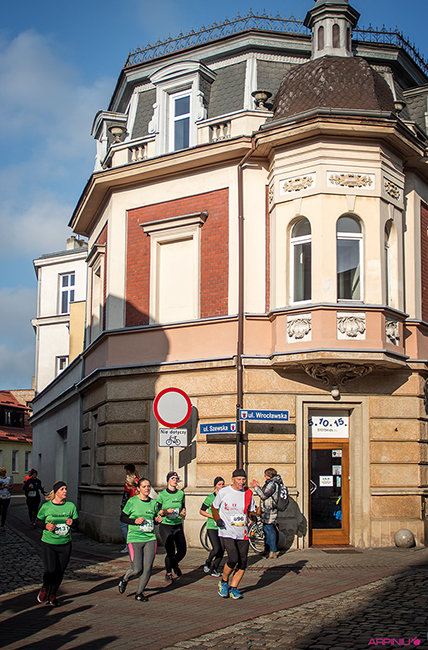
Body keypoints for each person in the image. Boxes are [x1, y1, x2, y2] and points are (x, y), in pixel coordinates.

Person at [211, 468, 256, 600]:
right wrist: (217, 519)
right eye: (239, 479)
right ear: (233, 480)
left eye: (243, 479)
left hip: (242, 531)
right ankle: (224, 581)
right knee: (233, 558)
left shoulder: (248, 493)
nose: (241, 482)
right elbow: (214, 507)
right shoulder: (224, 492)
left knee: (243, 562)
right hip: (227, 530)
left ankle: (234, 588)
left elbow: (251, 510)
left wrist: (253, 516)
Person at [117, 477, 162, 601]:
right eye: (144, 487)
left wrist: (157, 520)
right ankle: (125, 579)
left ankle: (139, 593)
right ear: (138, 489)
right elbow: (122, 517)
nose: (147, 489)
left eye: (148, 486)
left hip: (150, 538)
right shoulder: (132, 502)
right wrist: (134, 521)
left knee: (147, 568)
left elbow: (154, 520)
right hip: (135, 538)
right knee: (137, 569)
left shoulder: (153, 503)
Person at [36, 481, 78, 606]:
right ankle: (45, 587)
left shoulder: (70, 506)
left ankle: (52, 594)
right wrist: (46, 526)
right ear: (56, 492)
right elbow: (37, 521)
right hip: (49, 543)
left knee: (60, 571)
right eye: (62, 489)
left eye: (65, 489)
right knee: (50, 569)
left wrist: (72, 523)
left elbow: (77, 523)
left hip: (65, 543)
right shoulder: (46, 506)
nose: (65, 491)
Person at [157, 471, 186, 583]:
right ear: (168, 480)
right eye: (173, 478)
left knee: (182, 550)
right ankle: (168, 573)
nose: (175, 480)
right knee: (170, 551)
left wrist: (183, 512)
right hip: (166, 526)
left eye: (176, 478)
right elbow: (158, 511)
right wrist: (165, 511)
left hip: (177, 524)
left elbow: (183, 507)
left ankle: (174, 564)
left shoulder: (181, 494)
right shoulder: (162, 495)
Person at [250, 467, 285, 558]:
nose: (264, 476)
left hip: (270, 510)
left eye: (265, 475)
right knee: (266, 529)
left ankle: (273, 551)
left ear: (269, 475)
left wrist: (256, 487)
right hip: (267, 510)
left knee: (269, 530)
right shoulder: (271, 483)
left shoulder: (272, 484)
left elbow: (264, 495)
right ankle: (267, 549)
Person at [199, 476, 225, 577]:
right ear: (215, 486)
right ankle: (208, 561)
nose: (221, 486)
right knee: (216, 548)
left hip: (223, 527)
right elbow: (202, 511)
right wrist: (213, 516)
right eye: (219, 484)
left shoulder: (225, 497)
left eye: (223, 484)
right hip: (212, 526)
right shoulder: (210, 498)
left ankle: (214, 568)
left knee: (222, 550)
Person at [120, 464, 140, 553]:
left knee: (124, 525)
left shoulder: (128, 483)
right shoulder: (139, 481)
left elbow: (125, 495)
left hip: (129, 506)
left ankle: (129, 545)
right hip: (138, 505)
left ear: (128, 471)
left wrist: (122, 507)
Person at [0, 467, 13, 532]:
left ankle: (2, 525)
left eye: (4, 471)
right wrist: (1, 487)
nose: (3, 473)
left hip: (7, 497)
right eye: (2, 471)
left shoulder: (9, 479)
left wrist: (9, 487)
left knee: (4, 511)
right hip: (0, 497)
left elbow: (11, 487)